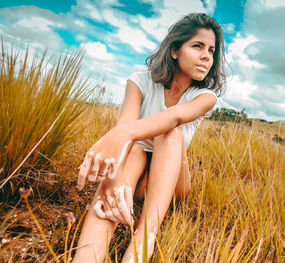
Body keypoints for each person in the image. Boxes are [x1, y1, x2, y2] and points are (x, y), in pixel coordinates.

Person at [73, 13, 226, 263]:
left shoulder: (205, 97)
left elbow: (174, 117)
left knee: (171, 134)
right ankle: (86, 257)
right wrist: (112, 180)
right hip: (135, 170)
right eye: (197, 46)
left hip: (173, 178)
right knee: (130, 155)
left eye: (211, 50)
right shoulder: (140, 80)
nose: (207, 56)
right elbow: (125, 123)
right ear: (175, 50)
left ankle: (145, 237)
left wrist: (122, 134)